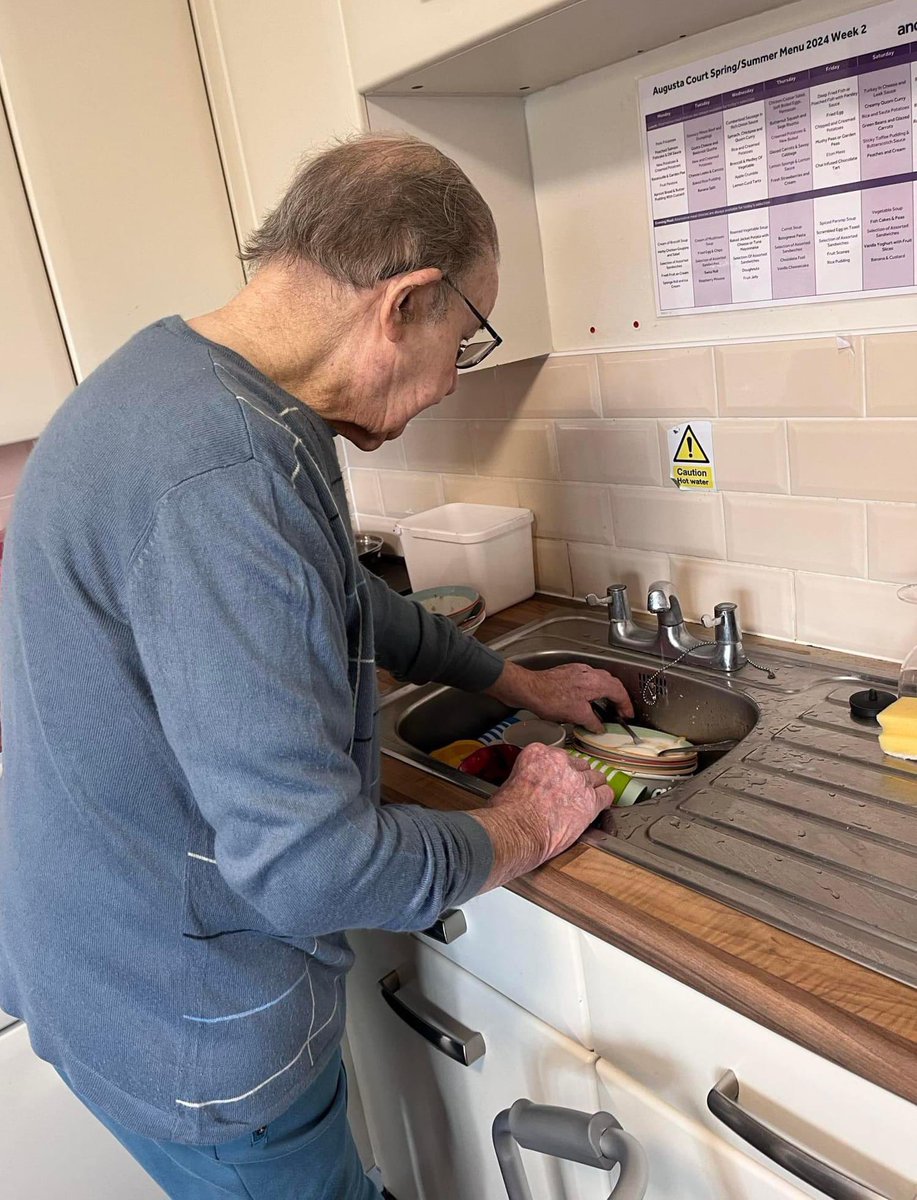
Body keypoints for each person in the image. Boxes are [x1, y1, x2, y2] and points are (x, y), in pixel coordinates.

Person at [0, 134, 633, 1199]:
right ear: (407, 304)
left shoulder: (184, 382)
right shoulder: (225, 468)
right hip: (192, 1030)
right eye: (464, 342)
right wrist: (523, 823)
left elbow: (338, 596)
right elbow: (311, 868)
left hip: (101, 964)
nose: (447, 384)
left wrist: (512, 684)